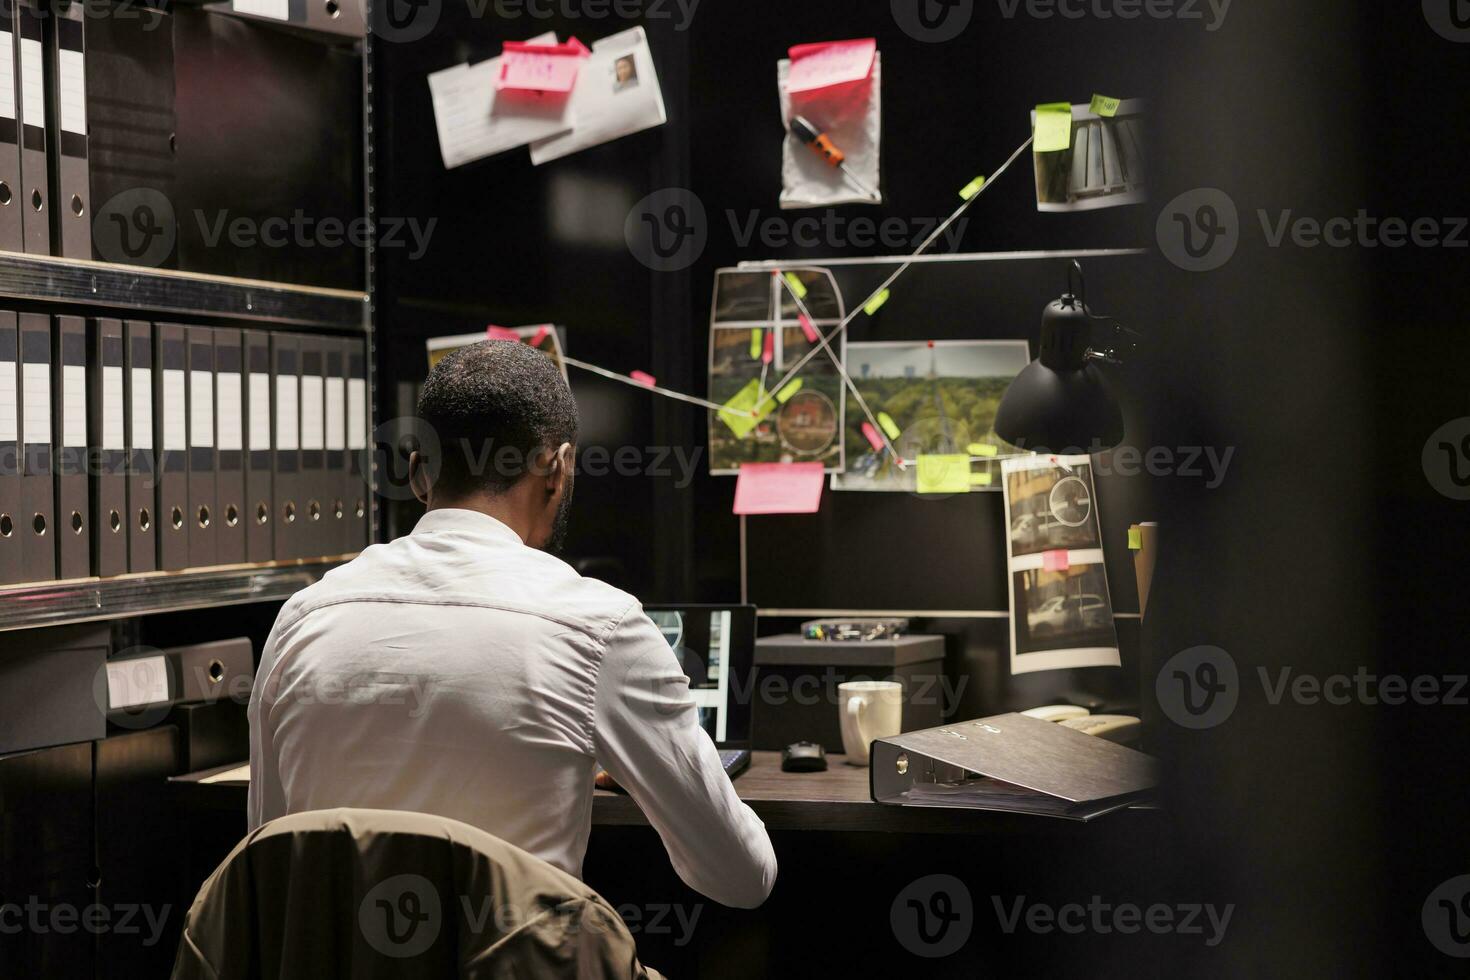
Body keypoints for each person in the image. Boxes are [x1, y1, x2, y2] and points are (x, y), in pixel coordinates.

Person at [248, 340, 776, 909]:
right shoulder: (600, 629)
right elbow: (741, 878)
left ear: (418, 472)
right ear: (558, 468)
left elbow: (264, 853)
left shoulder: (302, 620)